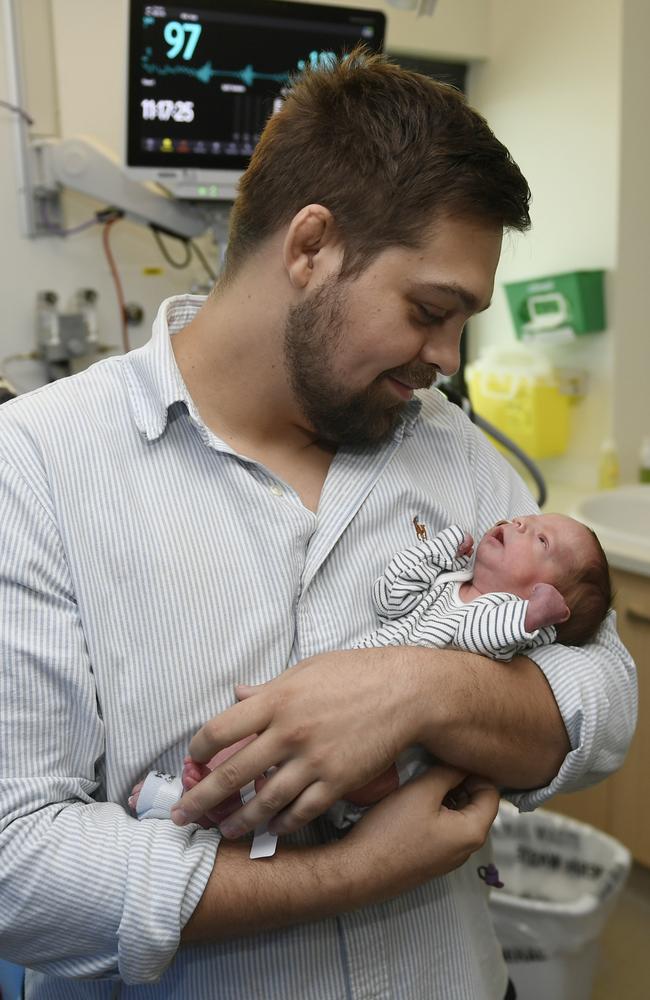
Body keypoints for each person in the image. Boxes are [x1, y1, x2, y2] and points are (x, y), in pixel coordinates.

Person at [0, 49, 636, 1000]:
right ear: (311, 248)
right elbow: (19, 865)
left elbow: (605, 688)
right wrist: (356, 870)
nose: (448, 359)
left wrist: (416, 687)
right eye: (431, 310)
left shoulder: (450, 451)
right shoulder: (36, 467)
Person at [130, 514, 612, 834]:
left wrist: (531, 617)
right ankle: (207, 798)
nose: (521, 521)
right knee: (268, 741)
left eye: (541, 540)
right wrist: (438, 552)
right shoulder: (452, 585)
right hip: (340, 687)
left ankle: (188, 797)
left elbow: (488, 634)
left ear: (545, 598)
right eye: (526, 521)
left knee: (287, 766)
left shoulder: (504, 618)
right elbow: (392, 597)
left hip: (393, 750)